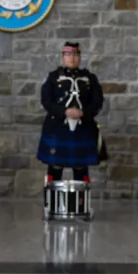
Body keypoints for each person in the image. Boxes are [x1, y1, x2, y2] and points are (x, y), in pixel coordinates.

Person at [37, 41, 105, 183]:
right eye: (68, 54)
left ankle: (80, 204)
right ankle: (52, 204)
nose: (72, 58)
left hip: (83, 128)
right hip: (57, 128)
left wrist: (83, 113)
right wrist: (65, 111)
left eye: (75, 54)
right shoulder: (53, 77)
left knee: (81, 170)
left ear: (80, 57)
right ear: (63, 56)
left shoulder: (90, 78)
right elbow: (46, 101)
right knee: (54, 169)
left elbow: (97, 101)